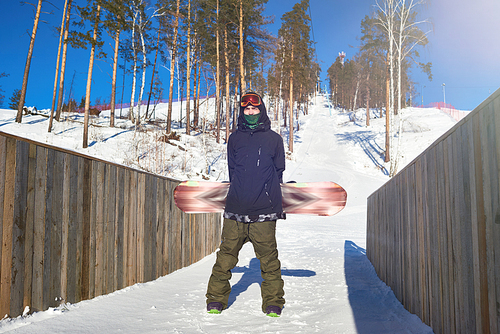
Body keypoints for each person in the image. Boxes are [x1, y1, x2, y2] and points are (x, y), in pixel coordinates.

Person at [206, 92, 286, 317]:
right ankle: (215, 300)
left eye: (255, 109)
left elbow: (278, 171)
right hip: (235, 210)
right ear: (242, 112)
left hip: (264, 213)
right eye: (247, 110)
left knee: (269, 261)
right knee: (224, 259)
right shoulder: (235, 138)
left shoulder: (274, 139)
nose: (251, 112)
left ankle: (273, 303)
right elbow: (233, 170)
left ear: (262, 110)